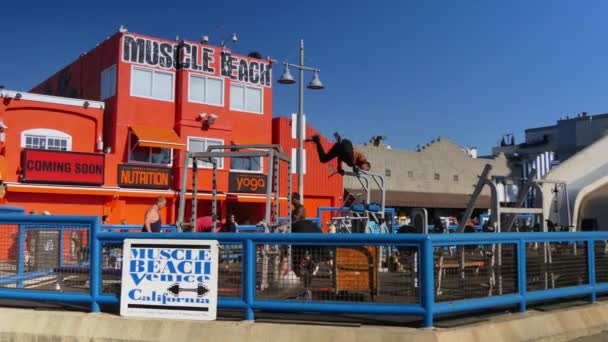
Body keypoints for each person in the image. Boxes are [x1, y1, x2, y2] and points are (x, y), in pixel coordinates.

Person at [306, 132, 371, 175]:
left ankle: (316, 140)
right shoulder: (362, 159)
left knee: (323, 159)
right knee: (349, 156)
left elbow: (340, 157)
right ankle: (340, 140)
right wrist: (354, 166)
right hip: (346, 145)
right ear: (366, 164)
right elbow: (353, 155)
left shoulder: (352, 164)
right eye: (364, 168)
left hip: (339, 149)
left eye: (363, 170)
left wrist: (339, 168)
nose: (362, 169)